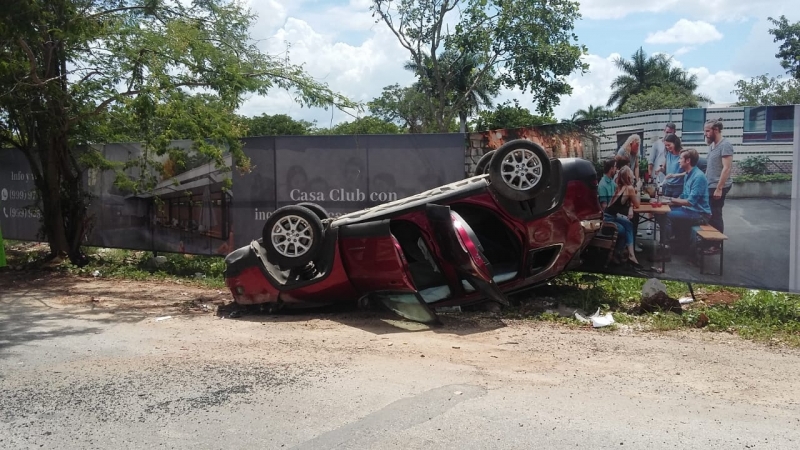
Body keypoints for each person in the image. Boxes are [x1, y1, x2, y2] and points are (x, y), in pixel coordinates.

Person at [654, 148, 711, 262]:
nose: (678, 161)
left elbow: (690, 202)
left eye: (680, 158)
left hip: (700, 214)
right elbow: (683, 196)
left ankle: (665, 251)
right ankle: (677, 244)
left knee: (667, 216)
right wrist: (666, 202)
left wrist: (670, 198)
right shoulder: (688, 174)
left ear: (688, 160)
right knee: (662, 212)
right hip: (689, 210)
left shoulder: (698, 177)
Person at [703, 118, 733, 255]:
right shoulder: (712, 145)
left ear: (716, 130)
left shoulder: (725, 145)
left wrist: (719, 188)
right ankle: (709, 241)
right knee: (709, 214)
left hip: (719, 186)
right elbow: (710, 167)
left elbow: (726, 168)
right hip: (710, 185)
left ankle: (716, 245)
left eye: (707, 131)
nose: (705, 134)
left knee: (715, 214)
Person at [603, 165, 643, 268]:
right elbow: (637, 204)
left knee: (629, 224)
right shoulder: (629, 188)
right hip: (608, 220)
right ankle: (618, 253)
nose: (634, 175)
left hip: (609, 215)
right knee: (625, 231)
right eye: (632, 173)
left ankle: (631, 255)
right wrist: (638, 187)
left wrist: (630, 207)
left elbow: (630, 202)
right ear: (628, 176)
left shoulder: (621, 186)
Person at [661, 133, 685, 198]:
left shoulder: (683, 154)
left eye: (669, 145)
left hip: (678, 187)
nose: (667, 147)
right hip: (668, 185)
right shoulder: (668, 153)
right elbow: (664, 167)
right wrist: (661, 168)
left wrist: (675, 175)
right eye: (666, 145)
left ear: (675, 143)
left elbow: (688, 172)